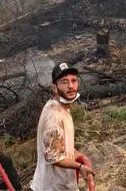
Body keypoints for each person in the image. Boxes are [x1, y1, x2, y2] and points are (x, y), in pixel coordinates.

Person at [31, 62, 96, 191]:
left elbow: (61, 145)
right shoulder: (54, 116)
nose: (71, 86)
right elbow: (55, 157)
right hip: (53, 187)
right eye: (64, 82)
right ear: (55, 87)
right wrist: (80, 167)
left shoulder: (62, 106)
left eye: (74, 80)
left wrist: (77, 155)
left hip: (62, 185)